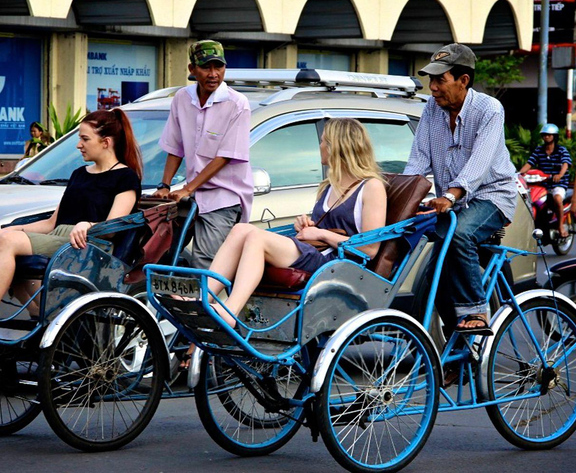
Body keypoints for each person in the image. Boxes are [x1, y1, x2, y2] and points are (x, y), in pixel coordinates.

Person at [186, 118, 386, 365]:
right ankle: (203, 298)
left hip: (339, 265)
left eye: (323, 142)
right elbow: (321, 230)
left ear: (337, 146)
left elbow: (370, 248)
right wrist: (309, 226)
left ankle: (230, 311)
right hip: (317, 255)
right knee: (240, 229)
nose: (320, 146)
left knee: (256, 238)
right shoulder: (329, 186)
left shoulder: (372, 187)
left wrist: (321, 235)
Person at [0, 109, 142, 325]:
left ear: (106, 142)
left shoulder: (125, 177)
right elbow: (51, 224)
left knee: (7, 241)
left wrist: (88, 225)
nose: (78, 145)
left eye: (85, 139)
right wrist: (9, 229)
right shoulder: (80, 174)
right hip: (58, 237)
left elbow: (113, 227)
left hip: (88, 244)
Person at [404, 43, 518, 335]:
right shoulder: (431, 108)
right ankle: (460, 348)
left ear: (463, 80)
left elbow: (479, 164)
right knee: (434, 277)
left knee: (459, 234)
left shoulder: (489, 109)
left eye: (440, 80)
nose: (432, 88)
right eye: (431, 80)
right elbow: (418, 159)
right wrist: (406, 198)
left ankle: (477, 310)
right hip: (452, 203)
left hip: (491, 196)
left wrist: (451, 195)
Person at [152, 39, 253, 269]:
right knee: (162, 256)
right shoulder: (181, 99)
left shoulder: (238, 104)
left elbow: (225, 156)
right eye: (206, 67)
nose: (213, 74)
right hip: (190, 196)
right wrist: (164, 186)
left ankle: (209, 304)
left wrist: (188, 188)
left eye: (219, 67)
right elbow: (174, 147)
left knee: (205, 262)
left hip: (223, 197)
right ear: (192, 70)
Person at [519, 124, 571, 237]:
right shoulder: (539, 150)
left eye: (549, 135)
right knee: (531, 199)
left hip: (558, 183)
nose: (546, 137)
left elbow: (566, 164)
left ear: (554, 137)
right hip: (542, 184)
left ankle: (560, 226)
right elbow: (529, 163)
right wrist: (519, 174)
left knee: (557, 198)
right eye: (544, 135)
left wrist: (560, 175)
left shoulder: (561, 150)